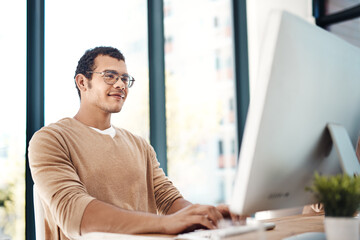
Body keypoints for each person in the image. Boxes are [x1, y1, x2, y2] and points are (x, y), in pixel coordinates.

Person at [29, 46, 237, 240]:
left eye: (125, 79)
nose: (120, 85)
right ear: (83, 82)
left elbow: (169, 200)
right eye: (110, 76)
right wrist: (166, 223)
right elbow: (76, 215)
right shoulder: (50, 140)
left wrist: (208, 216)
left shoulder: (140, 145)